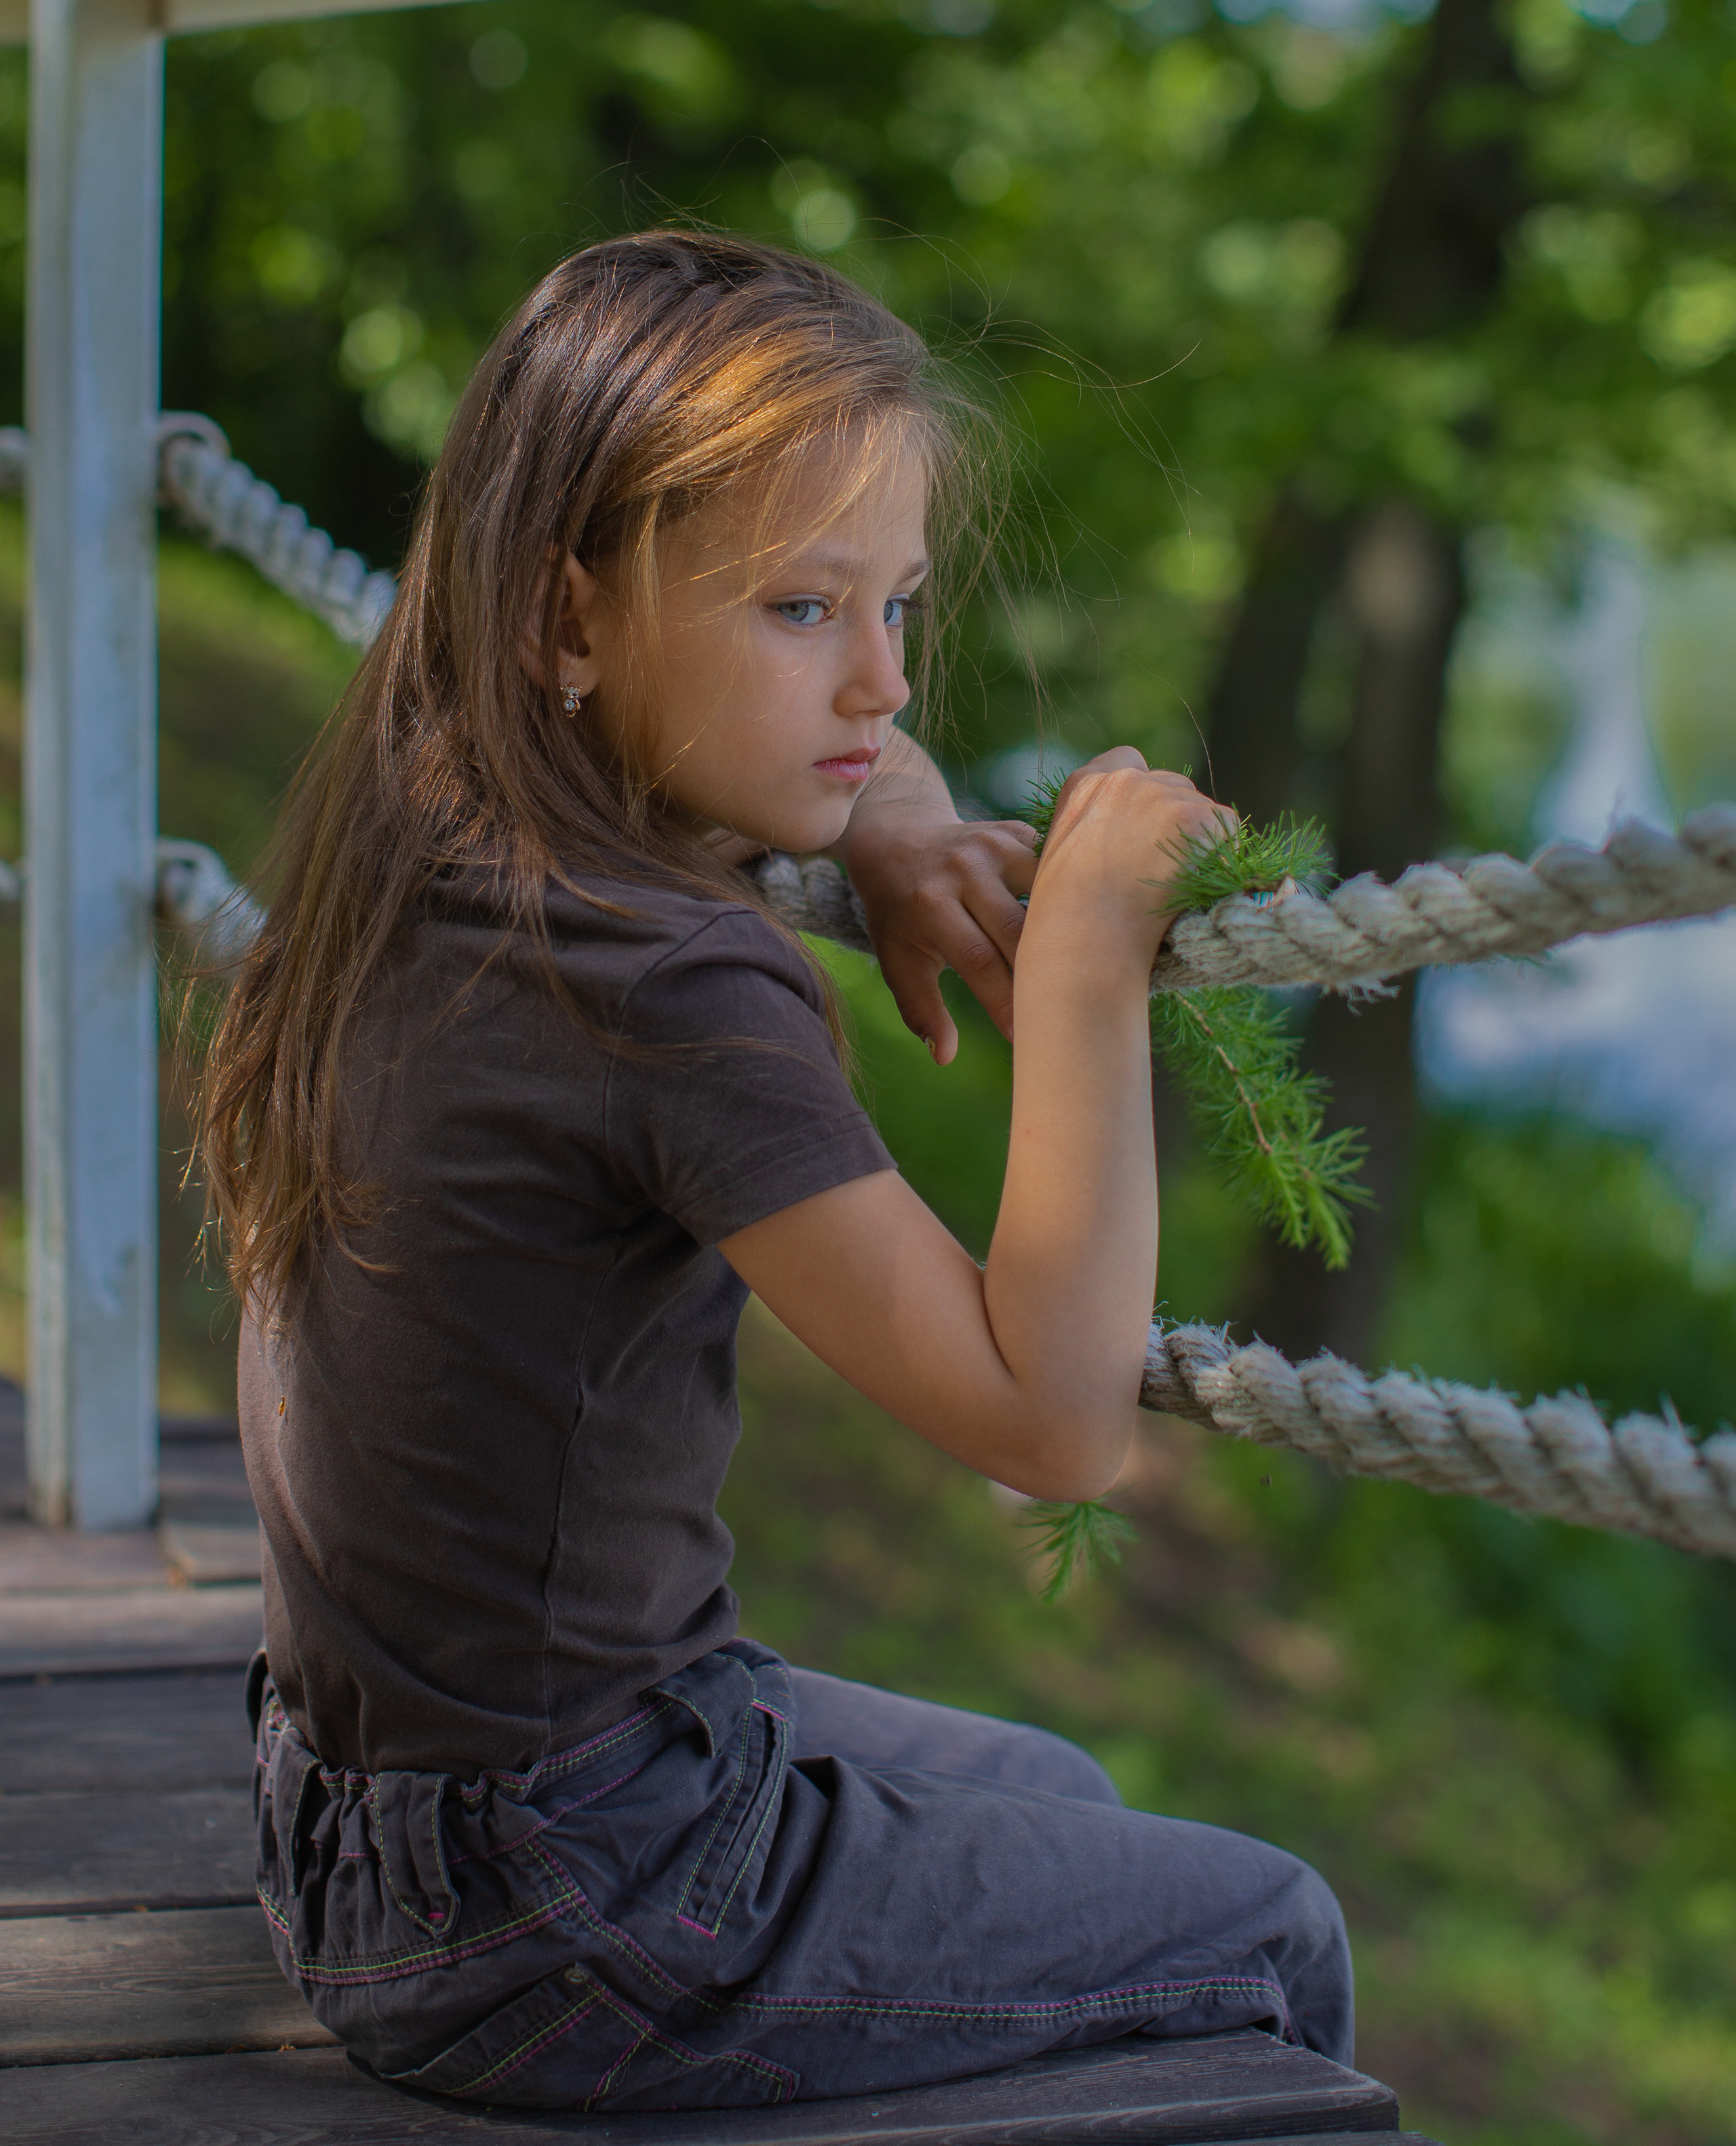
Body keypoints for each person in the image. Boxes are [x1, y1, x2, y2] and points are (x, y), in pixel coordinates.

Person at [202, 228, 1353, 2115]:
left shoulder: (440, 833)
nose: (884, 682)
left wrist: (883, 808)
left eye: (897, 607)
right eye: (804, 611)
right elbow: (1047, 1428)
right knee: (1275, 1926)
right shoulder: (672, 983)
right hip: (574, 1898)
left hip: (357, 1835)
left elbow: (762, 754)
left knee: (1057, 1795)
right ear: (565, 619)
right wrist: (1082, 964)